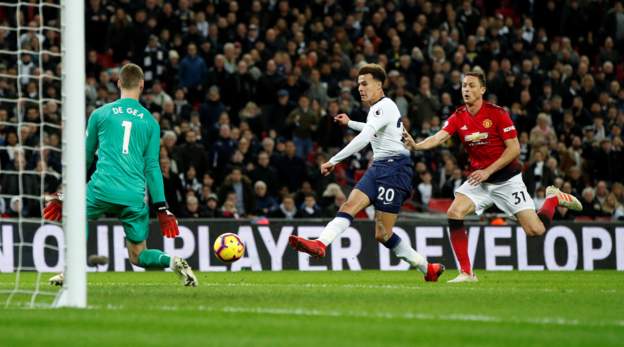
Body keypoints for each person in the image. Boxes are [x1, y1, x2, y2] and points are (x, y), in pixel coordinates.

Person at [403, 71, 583, 283]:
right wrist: (417, 145)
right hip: (480, 181)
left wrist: (488, 170)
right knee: (454, 212)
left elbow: (514, 149)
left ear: (482, 89)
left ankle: (553, 199)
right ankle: (467, 273)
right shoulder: (458, 116)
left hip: (507, 180)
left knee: (535, 230)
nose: (466, 90)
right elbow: (439, 137)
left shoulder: (497, 114)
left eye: (471, 85)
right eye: (464, 86)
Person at [43, 63, 197, 287]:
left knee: (75, 213)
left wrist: (64, 193)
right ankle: (173, 262)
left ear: (118, 84)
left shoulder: (100, 114)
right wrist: (162, 208)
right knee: (138, 256)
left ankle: (71, 271)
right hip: (133, 195)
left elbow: (85, 158)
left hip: (101, 189)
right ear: (142, 85)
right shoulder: (151, 123)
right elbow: (153, 168)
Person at [288, 64, 444, 282]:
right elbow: (373, 128)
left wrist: (334, 160)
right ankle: (320, 244)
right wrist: (350, 122)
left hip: (396, 169)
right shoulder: (378, 110)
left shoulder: (385, 105)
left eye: (365, 83)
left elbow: (365, 138)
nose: (360, 88)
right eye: (358, 84)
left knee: (383, 233)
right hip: (379, 167)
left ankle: (427, 267)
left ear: (379, 85)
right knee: (349, 206)